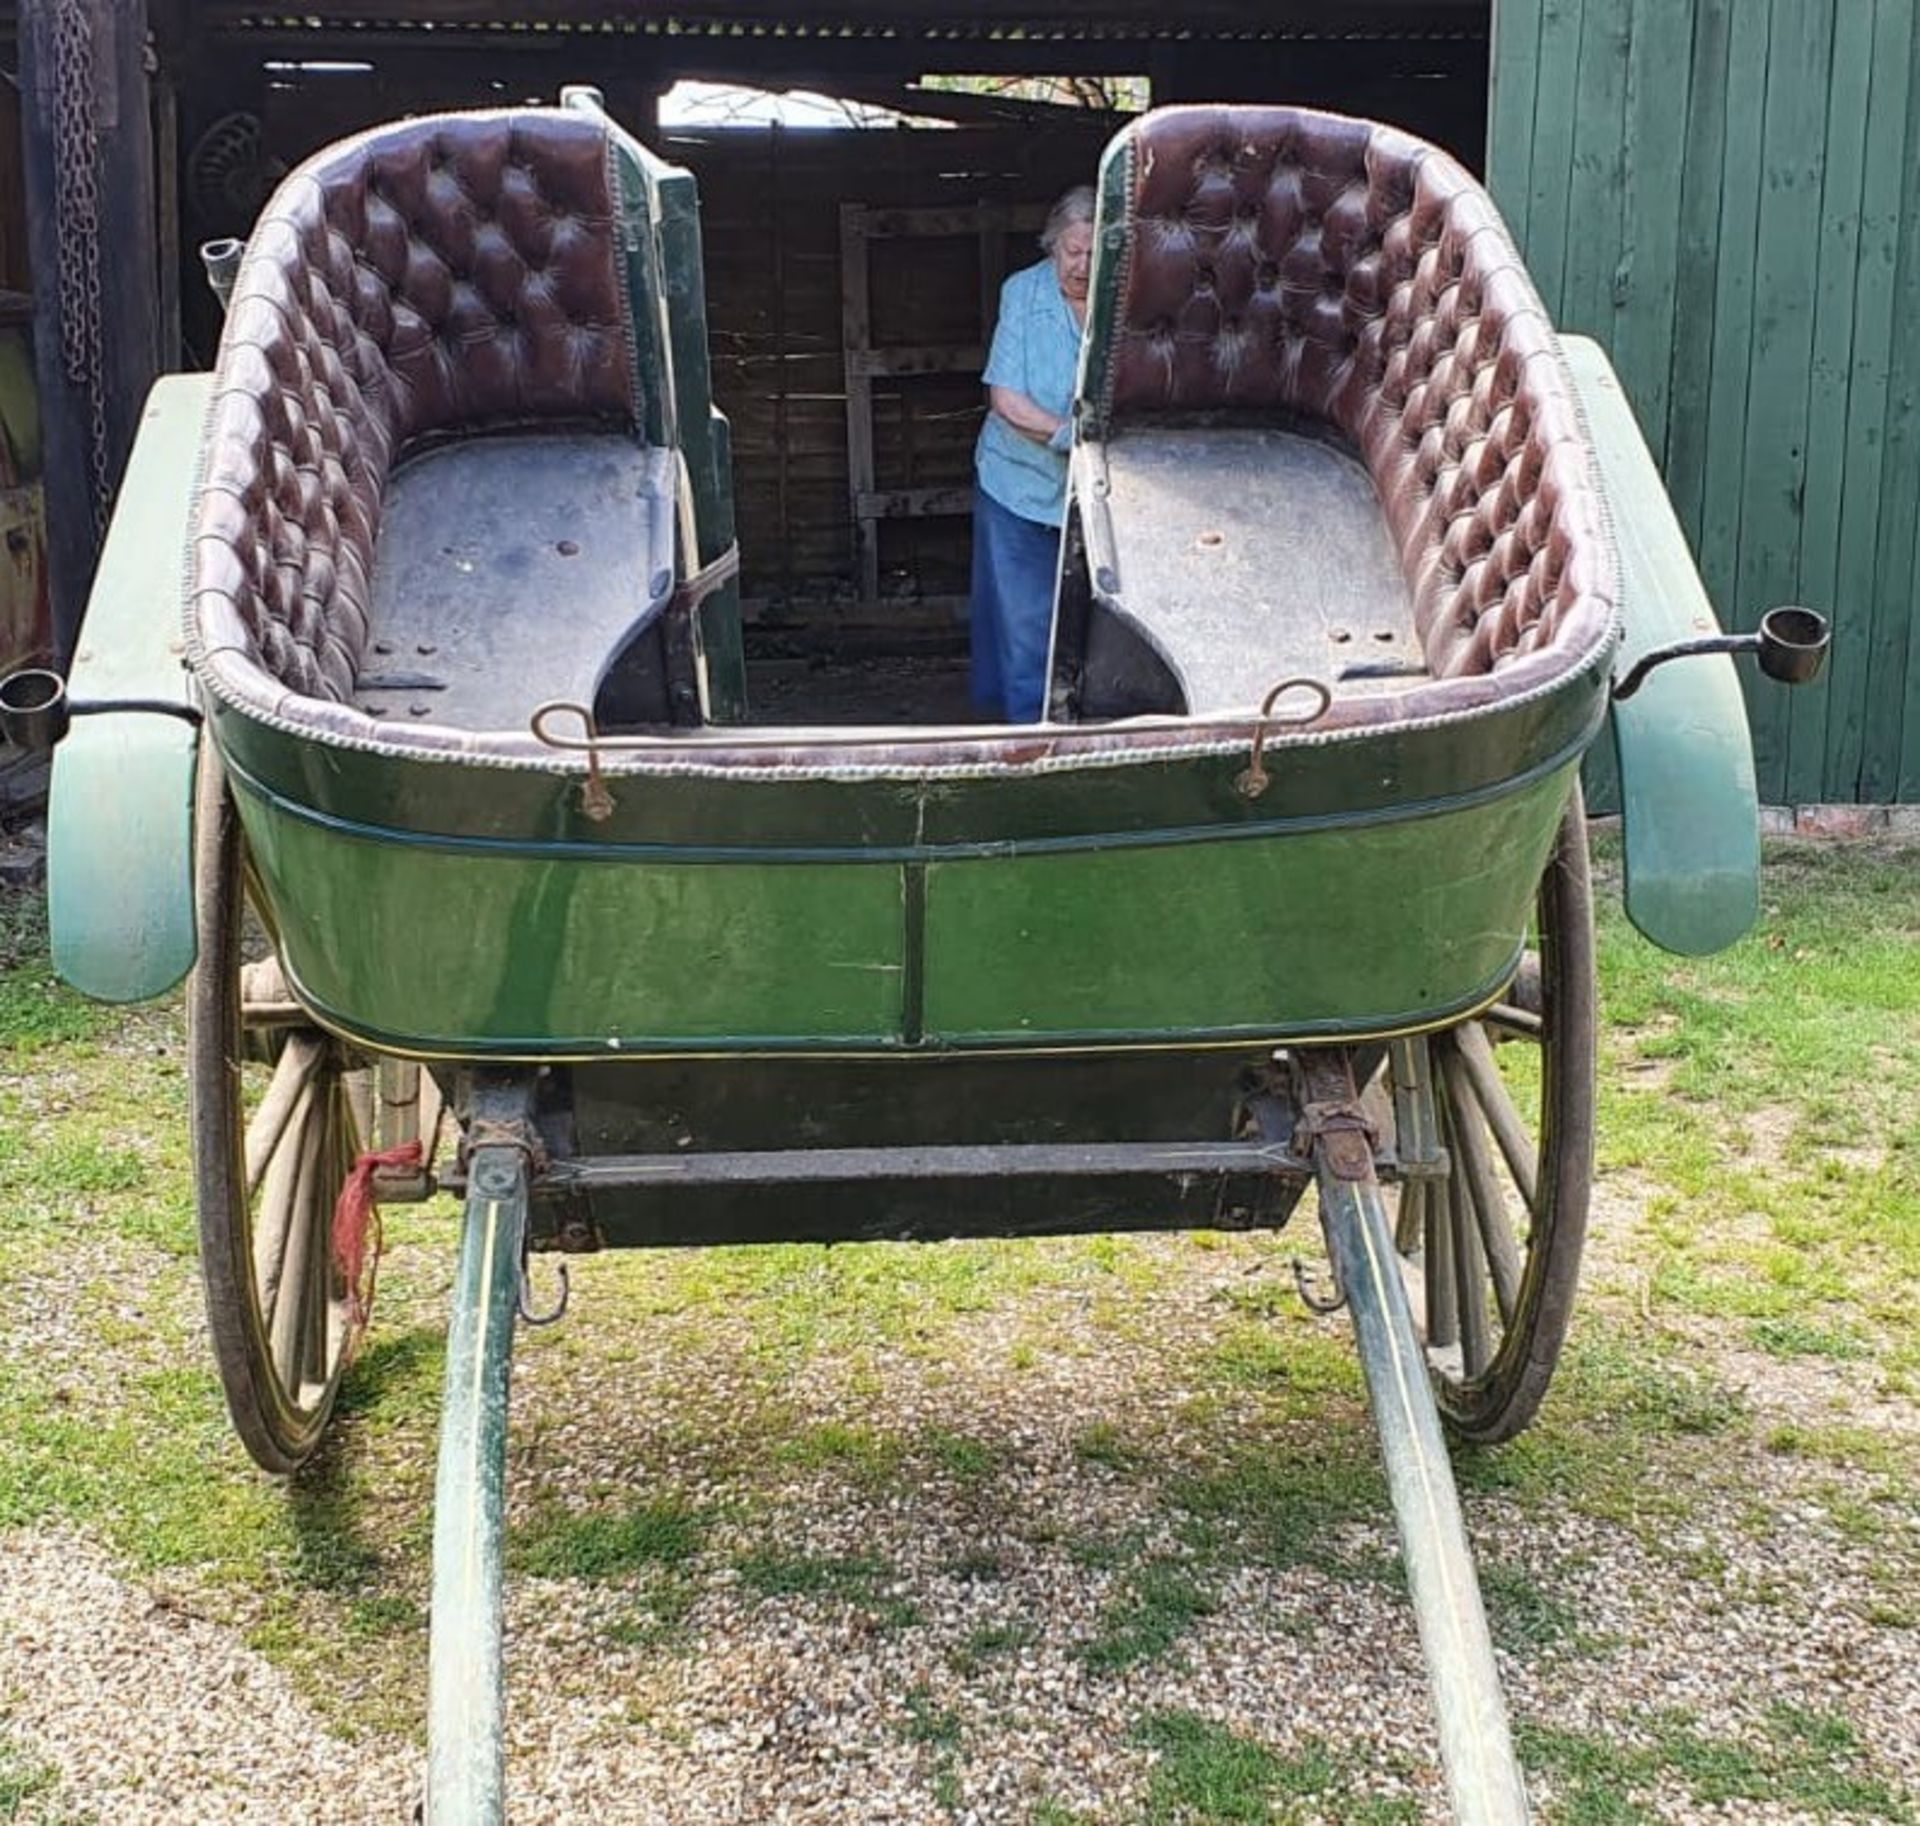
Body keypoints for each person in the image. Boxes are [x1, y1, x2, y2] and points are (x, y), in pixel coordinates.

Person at [969, 185, 1094, 722]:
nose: (1084, 265)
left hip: (1100, 493)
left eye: (1097, 253)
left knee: (1097, 625)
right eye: (1073, 252)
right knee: (1026, 627)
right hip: (1018, 485)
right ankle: (1029, 740)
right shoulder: (1022, 294)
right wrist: (1076, 435)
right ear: (1052, 247)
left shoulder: (1128, 297)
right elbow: (1007, 402)